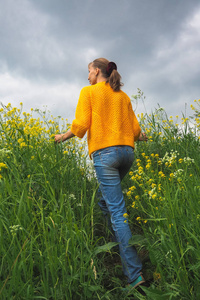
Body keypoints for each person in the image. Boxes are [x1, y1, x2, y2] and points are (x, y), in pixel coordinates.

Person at [55, 58, 148, 289]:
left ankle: (134, 275)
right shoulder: (123, 96)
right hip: (127, 153)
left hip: (105, 155)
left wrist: (62, 137)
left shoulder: (89, 91)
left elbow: (81, 124)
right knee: (104, 202)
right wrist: (142, 137)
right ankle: (113, 245)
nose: (87, 76)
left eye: (88, 71)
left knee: (117, 211)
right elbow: (136, 130)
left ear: (97, 71)